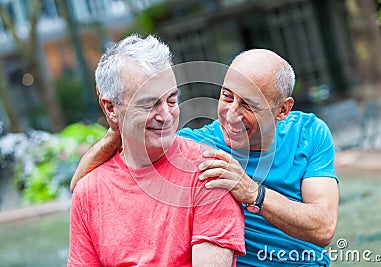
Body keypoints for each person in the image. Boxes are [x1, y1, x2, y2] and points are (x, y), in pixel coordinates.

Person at [71, 47, 339, 266]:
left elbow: (324, 228)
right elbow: (81, 186)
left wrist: (252, 192)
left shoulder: (309, 133)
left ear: (283, 110)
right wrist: (115, 128)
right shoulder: (197, 146)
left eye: (248, 104)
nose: (231, 113)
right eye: (226, 96)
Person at [67, 34, 246, 267]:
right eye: (149, 104)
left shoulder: (209, 171)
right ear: (111, 108)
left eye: (171, 100)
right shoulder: (89, 191)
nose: (165, 116)